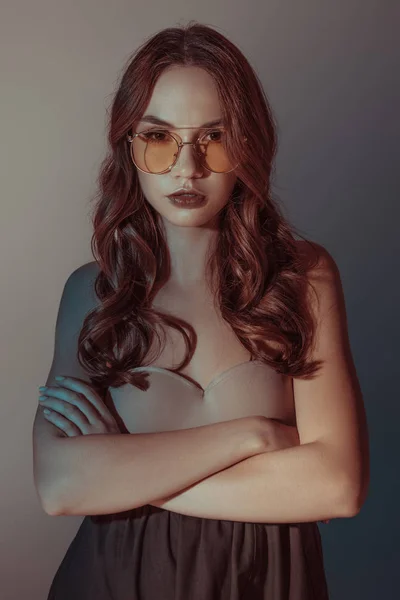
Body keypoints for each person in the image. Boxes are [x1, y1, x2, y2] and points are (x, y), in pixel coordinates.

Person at [32, 21, 368, 600]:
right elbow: (61, 486)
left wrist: (125, 476)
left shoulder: (304, 277)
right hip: (112, 581)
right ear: (128, 145)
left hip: (268, 584)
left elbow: (336, 486)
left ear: (249, 144)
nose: (187, 168)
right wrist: (254, 435)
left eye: (214, 139)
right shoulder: (93, 292)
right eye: (159, 138)